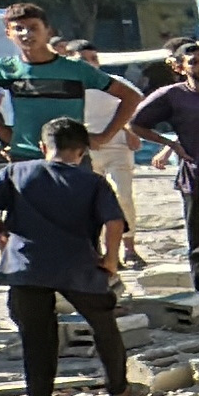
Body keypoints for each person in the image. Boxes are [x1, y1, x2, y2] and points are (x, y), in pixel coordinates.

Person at [0, 116, 136, 396]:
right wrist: (111, 260)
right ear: (83, 151)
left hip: (25, 267)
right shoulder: (92, 182)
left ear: (43, 146)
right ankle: (118, 392)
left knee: (37, 344)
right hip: (78, 266)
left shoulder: (17, 172)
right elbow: (115, 223)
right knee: (104, 325)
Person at [127, 43, 199, 301]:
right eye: (194, 62)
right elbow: (135, 124)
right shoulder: (172, 96)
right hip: (197, 178)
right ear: (179, 67)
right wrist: (171, 144)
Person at [0, 5, 141, 176]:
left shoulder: (76, 69)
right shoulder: (4, 69)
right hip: (25, 157)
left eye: (33, 28)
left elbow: (131, 96)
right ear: (8, 33)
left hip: (73, 159)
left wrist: (105, 137)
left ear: (48, 31)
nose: (26, 34)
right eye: (19, 29)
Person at [73, 47, 150, 271]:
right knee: (90, 203)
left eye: (93, 58)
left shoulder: (113, 82)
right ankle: (99, 251)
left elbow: (135, 103)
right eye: (83, 60)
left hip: (117, 146)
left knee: (122, 196)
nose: (90, 63)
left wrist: (130, 131)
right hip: (85, 148)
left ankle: (129, 248)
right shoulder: (69, 86)